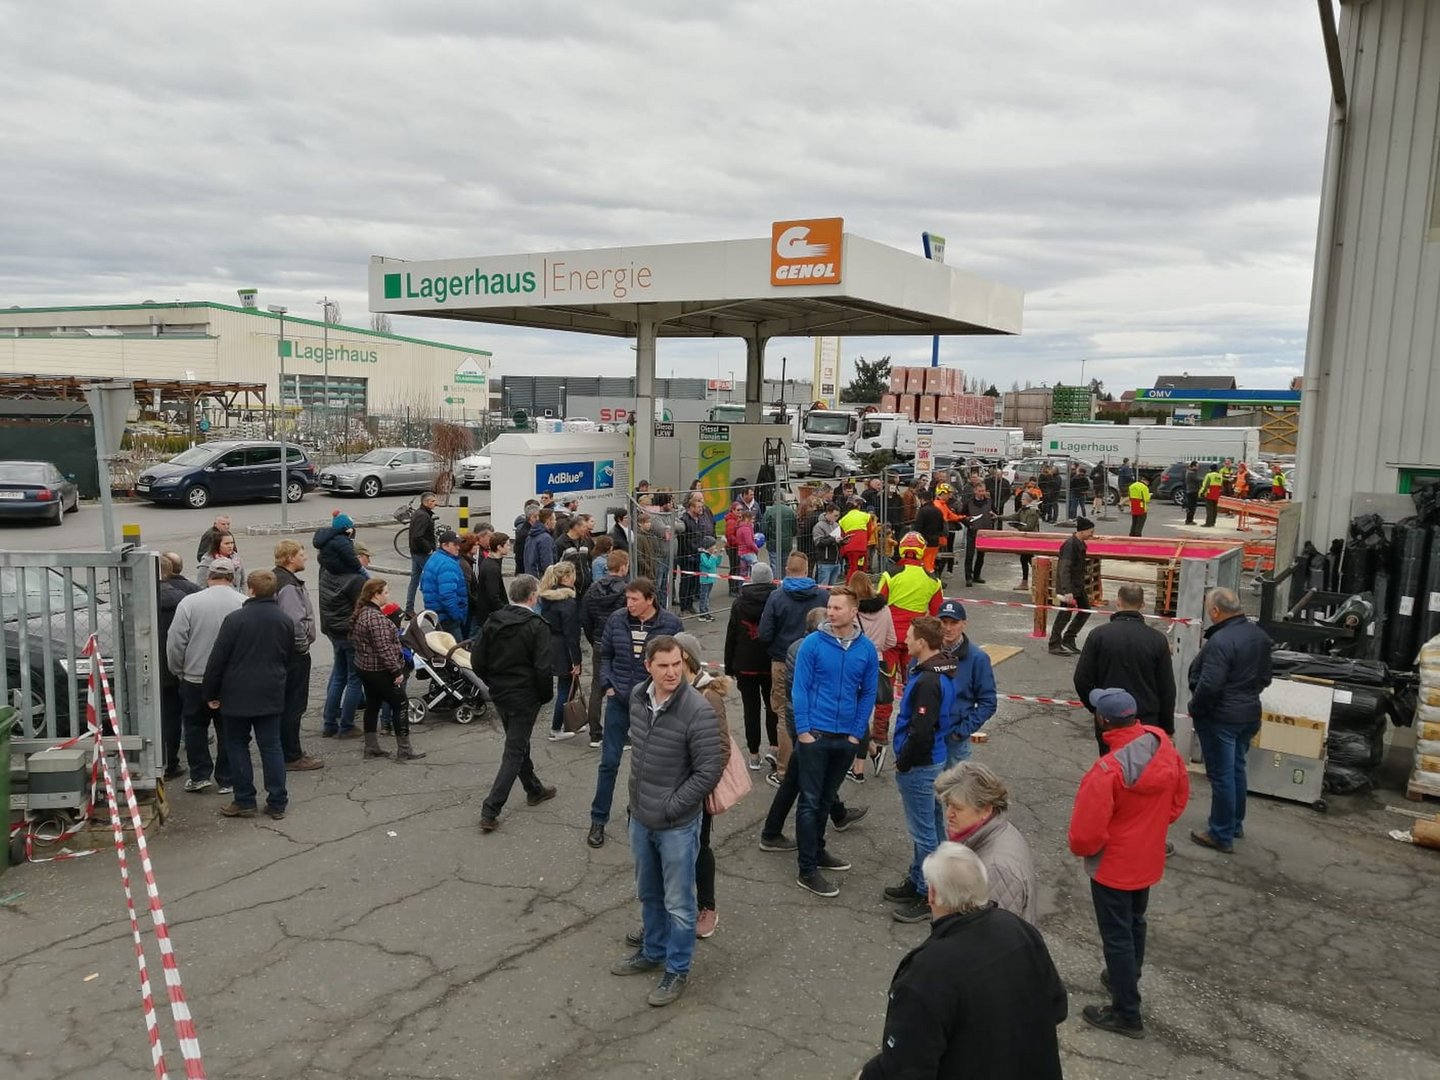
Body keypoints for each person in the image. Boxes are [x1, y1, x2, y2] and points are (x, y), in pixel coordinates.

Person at [859, 843, 1066, 1080]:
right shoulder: (1020, 930)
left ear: (932, 894)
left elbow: (906, 1068)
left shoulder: (926, 973)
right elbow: (1057, 1008)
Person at [608, 636, 726, 1008]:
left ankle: (677, 969)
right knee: (649, 892)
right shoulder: (639, 698)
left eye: (677, 664)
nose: (672, 672)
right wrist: (636, 802)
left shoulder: (697, 709)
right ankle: (653, 950)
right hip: (641, 818)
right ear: (648, 667)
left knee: (678, 903)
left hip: (677, 824)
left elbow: (709, 771)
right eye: (663, 666)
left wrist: (673, 806)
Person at [1068, 687, 1189, 1039]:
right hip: (1147, 857)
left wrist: (1091, 848)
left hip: (1113, 865)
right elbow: (1178, 801)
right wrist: (1152, 825)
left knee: (1116, 935)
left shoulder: (1107, 770)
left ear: (1103, 721)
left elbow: (1085, 834)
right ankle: (1126, 975)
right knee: (1136, 921)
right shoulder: (1163, 747)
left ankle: (1126, 1012)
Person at [790, 586, 879, 898]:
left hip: (845, 738)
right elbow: (799, 687)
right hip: (815, 735)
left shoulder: (866, 649)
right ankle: (806, 869)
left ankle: (818, 852)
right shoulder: (813, 644)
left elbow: (869, 692)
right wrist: (804, 731)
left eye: (838, 608)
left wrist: (856, 733)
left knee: (826, 800)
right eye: (829, 606)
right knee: (810, 802)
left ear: (854, 612)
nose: (830, 612)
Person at [587, 578, 683, 848]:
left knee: (649, 765)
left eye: (634, 599)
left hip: (652, 704)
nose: (628, 604)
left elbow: (679, 663)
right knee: (609, 762)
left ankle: (640, 815)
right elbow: (605, 654)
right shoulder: (617, 619)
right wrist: (607, 685)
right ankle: (598, 819)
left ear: (650, 600)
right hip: (619, 700)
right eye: (627, 599)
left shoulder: (671, 624)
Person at [202, 570, 295, 820]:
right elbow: (288, 657)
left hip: (237, 693)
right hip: (271, 691)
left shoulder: (235, 620)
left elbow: (218, 659)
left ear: (250, 590)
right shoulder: (284, 620)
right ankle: (277, 801)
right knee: (271, 746)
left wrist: (210, 692)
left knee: (236, 744)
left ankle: (244, 800)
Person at [1188, 587, 1273, 853]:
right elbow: (1266, 678)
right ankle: (1234, 823)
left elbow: (1210, 685)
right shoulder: (1259, 636)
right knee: (1236, 769)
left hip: (1221, 717)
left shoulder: (1221, 641)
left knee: (1221, 775)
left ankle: (1220, 833)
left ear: (1215, 611)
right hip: (1248, 713)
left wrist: (1195, 708)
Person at [885, 615, 958, 922]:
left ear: (923, 643)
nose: (905, 640)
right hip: (933, 759)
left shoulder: (928, 681)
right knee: (933, 827)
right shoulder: (938, 670)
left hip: (921, 763)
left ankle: (929, 895)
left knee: (924, 833)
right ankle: (918, 881)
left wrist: (904, 761)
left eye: (910, 636)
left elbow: (922, 729)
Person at [476, 575, 557, 832]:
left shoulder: (493, 620)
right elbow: (543, 667)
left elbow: (477, 660)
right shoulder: (537, 625)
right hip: (524, 696)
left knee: (518, 743)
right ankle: (490, 809)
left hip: (501, 692)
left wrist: (492, 681)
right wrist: (544, 696)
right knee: (514, 750)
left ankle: (534, 789)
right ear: (532, 597)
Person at [167, 557, 245, 794]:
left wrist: (178, 669)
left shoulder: (190, 602)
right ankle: (227, 778)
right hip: (230, 680)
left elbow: (176, 641)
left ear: (209, 576)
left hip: (195, 676)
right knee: (228, 728)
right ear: (232, 578)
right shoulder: (243, 603)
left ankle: (200, 774)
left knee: (195, 727)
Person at [674, 631, 730, 940]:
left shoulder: (709, 696)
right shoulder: (667, 689)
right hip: (667, 785)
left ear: (685, 658)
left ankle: (707, 907)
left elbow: (721, 749)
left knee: (699, 846)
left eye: (673, 657)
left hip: (696, 788)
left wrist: (700, 785)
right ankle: (666, 912)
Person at [1074, 582, 1176, 753]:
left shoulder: (1099, 635)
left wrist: (1098, 707)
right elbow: (1167, 689)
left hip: (1110, 719)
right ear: (1142, 605)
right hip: (1146, 720)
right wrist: (1167, 727)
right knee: (1144, 766)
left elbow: (1082, 679)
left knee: (1111, 764)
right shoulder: (1157, 640)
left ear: (1118, 602)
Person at [933, 761, 1039, 923]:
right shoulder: (996, 829)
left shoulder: (995, 870)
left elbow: (994, 933)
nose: (948, 814)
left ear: (986, 810)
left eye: (957, 808)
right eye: (947, 805)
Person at [758, 552, 829, 786]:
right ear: (807, 570)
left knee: (784, 714)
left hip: (783, 661)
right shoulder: (822, 595)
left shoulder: (777, 596)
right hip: (817, 659)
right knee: (816, 710)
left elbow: (764, 633)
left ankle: (784, 772)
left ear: (787, 570)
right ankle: (816, 767)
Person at [351, 578, 425, 762]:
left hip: (364, 667)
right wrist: (396, 672)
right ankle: (404, 750)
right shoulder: (376, 619)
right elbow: (384, 648)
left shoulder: (362, 612)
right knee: (400, 704)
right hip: (379, 670)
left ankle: (371, 747)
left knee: (373, 705)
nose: (388, 595)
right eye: (385, 592)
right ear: (375, 595)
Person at [271, 540, 323, 772]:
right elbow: (294, 621)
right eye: (301, 554)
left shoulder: (277, 578)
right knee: (294, 705)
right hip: (293, 655)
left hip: (282, 652)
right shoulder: (289, 585)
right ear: (290, 557)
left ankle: (286, 751)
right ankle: (292, 755)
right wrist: (302, 647)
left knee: (285, 704)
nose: (305, 558)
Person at [724, 561, 778, 770]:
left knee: (751, 709)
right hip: (770, 662)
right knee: (773, 707)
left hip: (745, 663)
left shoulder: (739, 603)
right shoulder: (776, 600)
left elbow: (731, 635)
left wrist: (729, 666)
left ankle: (754, 754)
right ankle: (774, 747)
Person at [316, 532, 368, 740]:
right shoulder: (355, 580)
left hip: (334, 631)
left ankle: (329, 723)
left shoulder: (326, 573)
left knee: (338, 676)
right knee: (355, 679)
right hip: (351, 634)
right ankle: (347, 725)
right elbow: (362, 611)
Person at [847, 571, 896, 783]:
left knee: (855, 714)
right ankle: (870, 754)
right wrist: (877, 648)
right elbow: (891, 640)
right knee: (860, 713)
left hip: (854, 663)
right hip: (876, 662)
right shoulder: (885, 609)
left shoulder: (852, 611)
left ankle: (861, 764)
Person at [935, 600, 997, 767]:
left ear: (964, 624)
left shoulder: (978, 658)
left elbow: (988, 702)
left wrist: (961, 732)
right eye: (944, 622)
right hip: (928, 736)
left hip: (954, 740)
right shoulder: (927, 651)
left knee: (955, 782)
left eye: (953, 623)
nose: (948, 628)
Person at [156, 553, 200, 779]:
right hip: (180, 666)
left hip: (150, 665)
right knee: (180, 718)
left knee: (159, 715)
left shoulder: (142, 599)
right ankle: (175, 763)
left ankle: (158, 760)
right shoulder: (185, 600)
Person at [581, 548, 631, 747]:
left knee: (597, 687)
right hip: (621, 643)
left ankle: (595, 733)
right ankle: (620, 734)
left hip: (600, 641)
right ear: (623, 567)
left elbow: (585, 618)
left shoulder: (592, 589)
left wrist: (594, 638)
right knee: (621, 687)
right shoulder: (627, 591)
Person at [538, 561, 583, 743]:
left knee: (566, 686)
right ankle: (556, 728)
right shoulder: (568, 603)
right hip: (564, 648)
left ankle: (567, 722)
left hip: (551, 643)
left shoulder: (548, 597)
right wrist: (576, 660)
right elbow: (572, 635)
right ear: (567, 577)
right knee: (565, 688)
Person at [1048, 516, 1095, 657]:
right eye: (1091, 531)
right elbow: (1064, 568)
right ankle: (1054, 644)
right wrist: (1067, 591)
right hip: (1069, 587)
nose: (1092, 534)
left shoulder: (1080, 543)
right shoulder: (1070, 545)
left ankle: (1069, 638)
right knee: (1064, 615)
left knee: (1085, 610)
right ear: (1082, 531)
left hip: (1077, 585)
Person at [419, 529, 468, 638]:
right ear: (445, 545)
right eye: (455, 544)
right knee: (456, 647)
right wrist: (457, 615)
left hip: (436, 614)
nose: (458, 547)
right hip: (447, 617)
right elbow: (447, 595)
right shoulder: (448, 564)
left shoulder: (435, 557)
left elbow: (422, 586)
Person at [406, 491, 440, 615]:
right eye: (433, 501)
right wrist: (429, 549)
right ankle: (432, 608)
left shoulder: (420, 513)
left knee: (414, 581)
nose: (436, 503)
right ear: (426, 502)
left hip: (416, 552)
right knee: (431, 580)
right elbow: (418, 536)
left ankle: (409, 609)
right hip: (422, 553)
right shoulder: (423, 516)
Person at [1001, 491, 1041, 590]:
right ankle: (1030, 581)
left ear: (1028, 500)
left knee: (1027, 559)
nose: (1021, 500)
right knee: (1026, 559)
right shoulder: (1023, 509)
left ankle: (1037, 579)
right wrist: (998, 517)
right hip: (1025, 538)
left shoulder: (1032, 511)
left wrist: (1016, 526)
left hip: (1030, 538)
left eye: (1023, 499)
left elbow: (1029, 527)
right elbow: (1013, 516)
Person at [473, 531, 510, 633]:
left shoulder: (490, 563)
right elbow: (493, 596)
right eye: (507, 545)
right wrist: (505, 610)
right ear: (499, 547)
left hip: (488, 614)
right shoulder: (492, 568)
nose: (509, 547)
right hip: (489, 615)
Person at [960, 482, 995, 586]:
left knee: (981, 556)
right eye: (980, 491)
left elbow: (994, 514)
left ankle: (977, 575)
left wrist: (992, 519)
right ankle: (968, 577)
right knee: (969, 555)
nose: (982, 493)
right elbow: (961, 516)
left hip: (984, 533)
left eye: (983, 491)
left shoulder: (989, 502)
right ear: (975, 491)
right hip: (972, 531)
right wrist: (968, 524)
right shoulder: (969, 503)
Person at [555, 512, 595, 595]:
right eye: (584, 527)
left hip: (585, 587)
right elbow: (557, 565)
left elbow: (589, 562)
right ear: (576, 527)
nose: (586, 529)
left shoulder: (585, 542)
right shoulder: (561, 543)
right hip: (568, 588)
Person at [811, 504, 843, 586]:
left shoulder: (836, 525)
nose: (837, 518)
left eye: (838, 516)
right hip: (825, 562)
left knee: (831, 588)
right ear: (828, 513)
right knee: (823, 587)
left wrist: (843, 541)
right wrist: (833, 539)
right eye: (835, 515)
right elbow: (818, 542)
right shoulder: (819, 526)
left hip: (836, 561)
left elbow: (837, 541)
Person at [762, 497, 796, 571]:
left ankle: (776, 578)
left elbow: (764, 528)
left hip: (773, 543)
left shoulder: (769, 511)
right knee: (784, 565)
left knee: (774, 565)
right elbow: (794, 528)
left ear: (774, 500)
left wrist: (767, 538)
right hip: (786, 543)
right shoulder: (790, 511)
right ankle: (783, 578)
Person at [523, 507, 557, 579]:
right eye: (554, 519)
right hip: (541, 578)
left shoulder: (530, 535)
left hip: (530, 576)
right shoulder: (545, 538)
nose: (555, 522)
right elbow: (547, 563)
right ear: (548, 521)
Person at [695, 536, 721, 621]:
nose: (715, 547)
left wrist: (719, 555)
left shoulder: (711, 555)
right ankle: (703, 613)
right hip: (705, 580)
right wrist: (713, 555)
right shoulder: (703, 555)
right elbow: (708, 565)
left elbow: (716, 564)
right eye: (713, 545)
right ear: (708, 546)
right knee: (704, 597)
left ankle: (706, 611)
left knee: (707, 596)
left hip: (711, 579)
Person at [1183, 460, 1202, 524]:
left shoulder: (1191, 472)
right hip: (1192, 491)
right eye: (1197, 466)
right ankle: (1189, 520)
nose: (1198, 468)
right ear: (1193, 466)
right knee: (1192, 506)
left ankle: (1190, 520)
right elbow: (1197, 480)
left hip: (1192, 490)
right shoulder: (1191, 473)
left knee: (1192, 506)